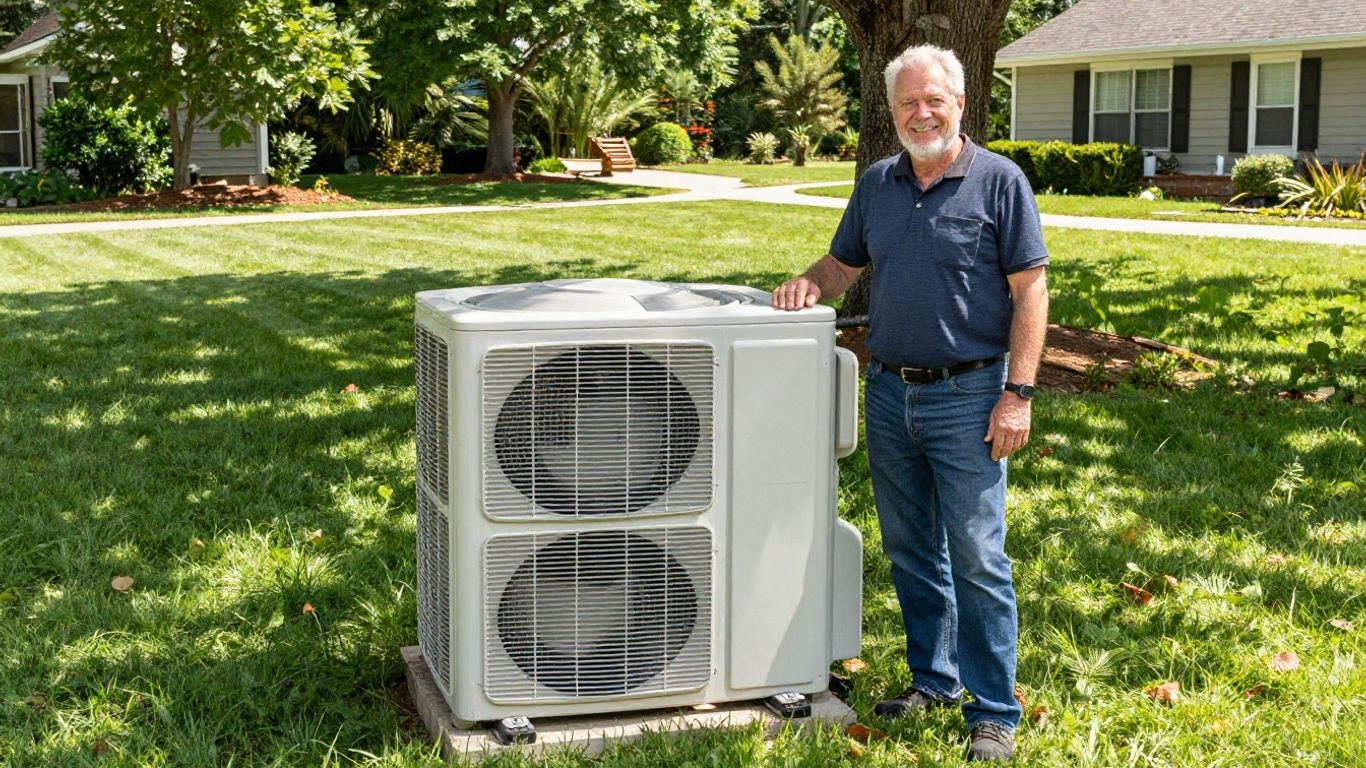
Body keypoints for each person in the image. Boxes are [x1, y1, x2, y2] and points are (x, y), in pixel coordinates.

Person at [772, 44, 1048, 763]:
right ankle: (935, 679)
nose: (920, 113)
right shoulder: (877, 183)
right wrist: (808, 283)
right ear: (891, 111)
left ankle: (995, 712)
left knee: (979, 555)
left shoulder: (999, 182)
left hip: (972, 396)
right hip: (891, 392)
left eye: (934, 100)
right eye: (907, 103)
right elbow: (844, 263)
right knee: (910, 550)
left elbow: (1031, 292)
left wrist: (1017, 395)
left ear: (960, 102)